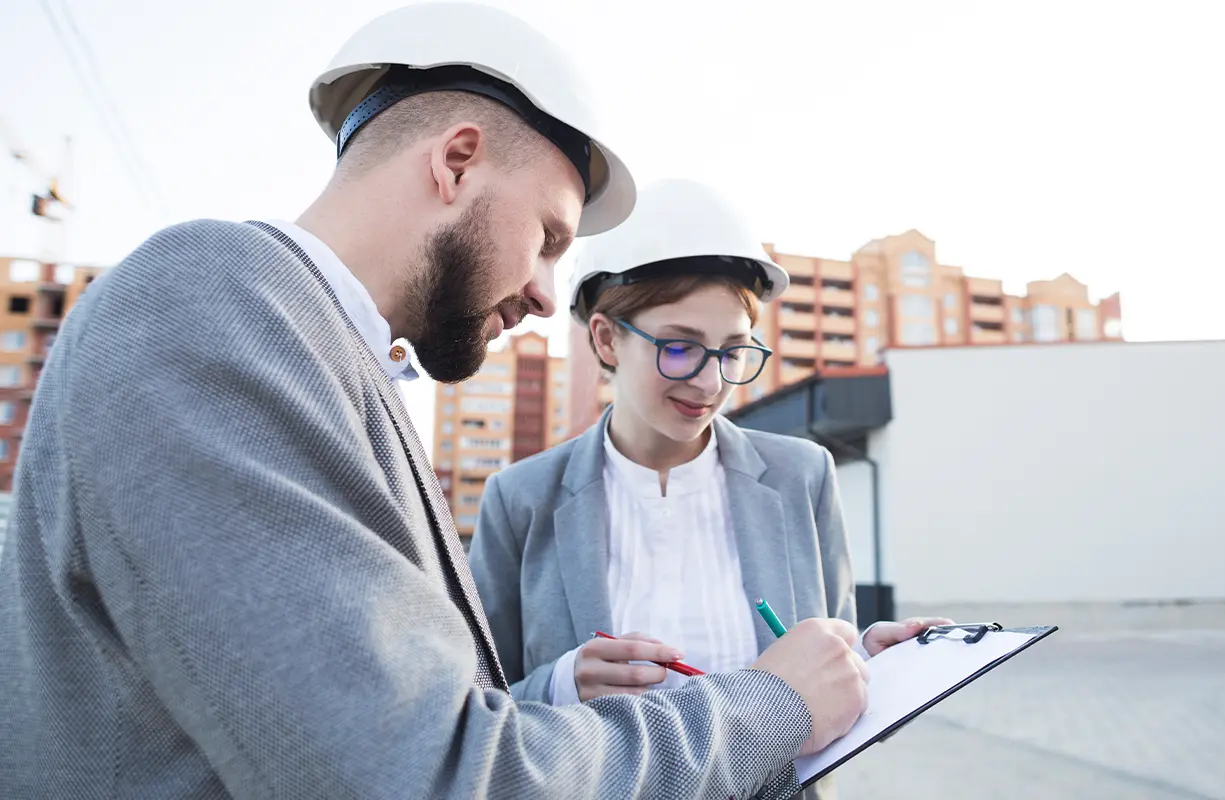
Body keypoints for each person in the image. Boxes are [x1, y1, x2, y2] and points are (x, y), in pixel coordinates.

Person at [0, 5, 872, 799]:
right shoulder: (207, 306)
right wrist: (772, 703)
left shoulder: (323, 359)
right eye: (548, 236)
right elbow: (434, 773)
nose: (546, 295)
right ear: (457, 162)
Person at [467, 178, 954, 799]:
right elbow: (472, 715)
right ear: (606, 338)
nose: (709, 383)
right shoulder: (521, 499)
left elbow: (831, 663)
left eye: (733, 351)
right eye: (680, 347)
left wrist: (869, 661)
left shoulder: (802, 476)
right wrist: (560, 684)